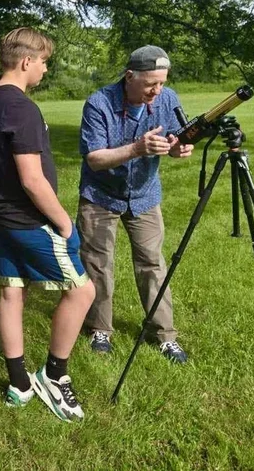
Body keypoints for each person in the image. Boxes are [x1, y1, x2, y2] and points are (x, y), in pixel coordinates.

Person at [0, 27, 96, 422]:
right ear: (27, 61)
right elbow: (31, 178)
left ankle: (18, 384)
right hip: (27, 218)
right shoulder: (21, 107)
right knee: (82, 292)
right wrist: (64, 223)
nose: (44, 69)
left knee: (12, 291)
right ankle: (54, 375)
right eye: (44, 61)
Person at [76, 45, 193, 363]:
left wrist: (176, 150)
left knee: (153, 264)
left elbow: (175, 140)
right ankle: (100, 328)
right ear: (130, 77)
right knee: (99, 264)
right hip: (100, 195)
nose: (157, 91)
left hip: (144, 195)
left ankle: (164, 334)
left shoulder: (167, 99)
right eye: (150, 84)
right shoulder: (99, 103)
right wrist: (136, 149)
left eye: (162, 83)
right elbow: (95, 158)